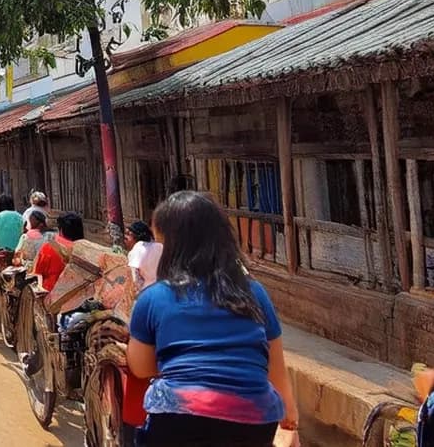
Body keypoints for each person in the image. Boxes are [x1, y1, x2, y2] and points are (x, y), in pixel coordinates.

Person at [126, 192, 300, 447]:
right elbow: (274, 362)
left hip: (177, 419)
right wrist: (289, 414)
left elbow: (141, 368)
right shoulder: (254, 292)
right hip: (255, 420)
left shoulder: (152, 298)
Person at [33, 212, 83, 292]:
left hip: (52, 294)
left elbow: (39, 271)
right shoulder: (85, 249)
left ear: (61, 230)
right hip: (78, 294)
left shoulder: (48, 247)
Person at [126, 220, 163, 290]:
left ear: (135, 236)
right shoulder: (160, 246)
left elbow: (135, 279)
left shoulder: (135, 251)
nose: (125, 238)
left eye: (128, 234)